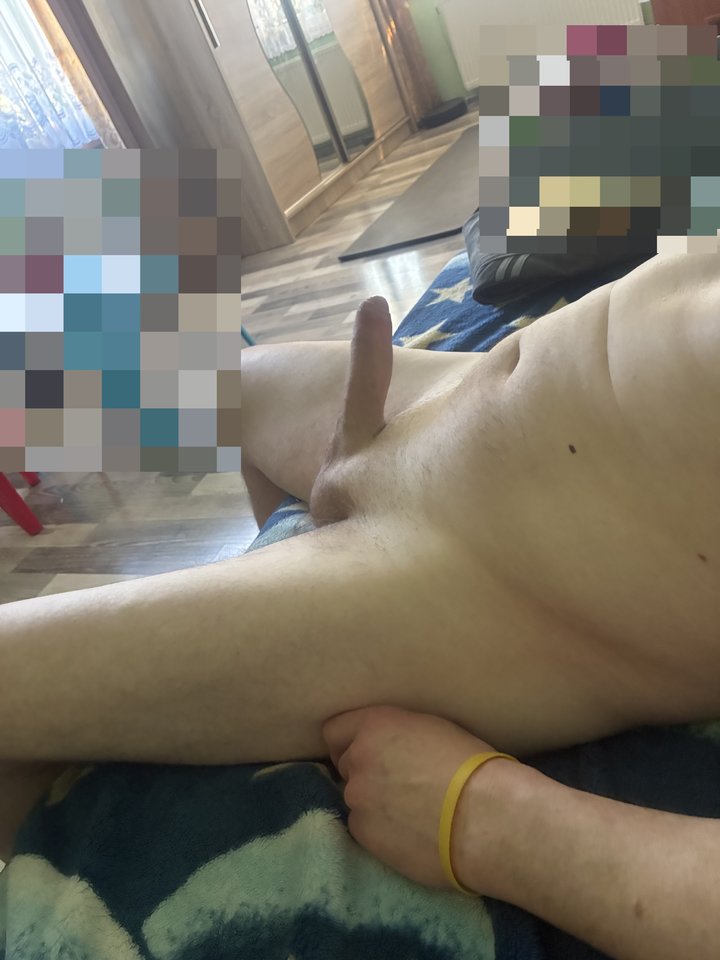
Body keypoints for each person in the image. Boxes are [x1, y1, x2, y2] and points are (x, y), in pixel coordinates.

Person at [0, 253, 718, 959]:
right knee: (231, 382)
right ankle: (290, 579)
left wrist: (479, 819)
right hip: (481, 390)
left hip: (497, 564)